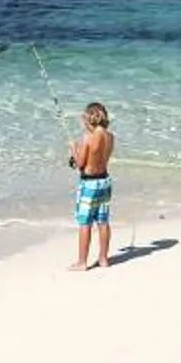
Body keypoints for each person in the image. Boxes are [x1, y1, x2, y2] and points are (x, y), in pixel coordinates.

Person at [68, 101, 115, 271]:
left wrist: (74, 149)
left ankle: (82, 262)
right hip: (105, 181)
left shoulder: (88, 138)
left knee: (85, 222)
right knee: (103, 221)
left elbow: (80, 164)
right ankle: (103, 259)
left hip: (90, 183)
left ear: (89, 119)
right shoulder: (110, 137)